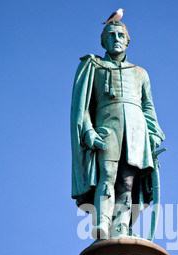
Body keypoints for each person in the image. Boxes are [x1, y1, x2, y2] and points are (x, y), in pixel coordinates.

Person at [71, 21, 165, 239]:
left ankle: (121, 227)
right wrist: (88, 132)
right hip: (107, 128)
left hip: (136, 131)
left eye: (121, 35)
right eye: (111, 35)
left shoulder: (140, 73)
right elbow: (82, 106)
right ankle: (102, 222)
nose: (116, 39)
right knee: (108, 175)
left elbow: (148, 106)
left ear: (127, 41)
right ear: (103, 40)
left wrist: (153, 133)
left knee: (127, 182)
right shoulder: (93, 66)